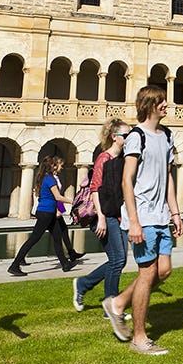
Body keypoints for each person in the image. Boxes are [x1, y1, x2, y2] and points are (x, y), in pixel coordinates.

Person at [104, 85, 183, 355]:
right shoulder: (137, 137)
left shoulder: (167, 135)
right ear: (149, 105)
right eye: (161, 102)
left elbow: (168, 177)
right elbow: (127, 180)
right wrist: (134, 221)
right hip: (143, 215)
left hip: (161, 214)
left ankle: (117, 303)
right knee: (147, 274)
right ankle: (139, 338)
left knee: (164, 271)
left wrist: (175, 212)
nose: (166, 105)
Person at [73, 118, 130, 315]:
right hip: (103, 216)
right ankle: (111, 307)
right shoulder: (103, 158)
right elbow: (95, 188)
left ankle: (83, 285)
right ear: (115, 137)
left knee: (119, 261)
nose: (129, 138)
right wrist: (103, 217)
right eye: (126, 135)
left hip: (117, 215)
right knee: (117, 259)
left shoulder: (122, 160)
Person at [7, 154, 79, 276]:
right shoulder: (50, 179)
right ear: (53, 166)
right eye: (60, 165)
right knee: (34, 239)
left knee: (57, 237)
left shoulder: (45, 178)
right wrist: (74, 201)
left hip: (48, 212)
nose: (62, 168)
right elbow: (57, 197)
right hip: (45, 213)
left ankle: (65, 264)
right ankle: (14, 265)